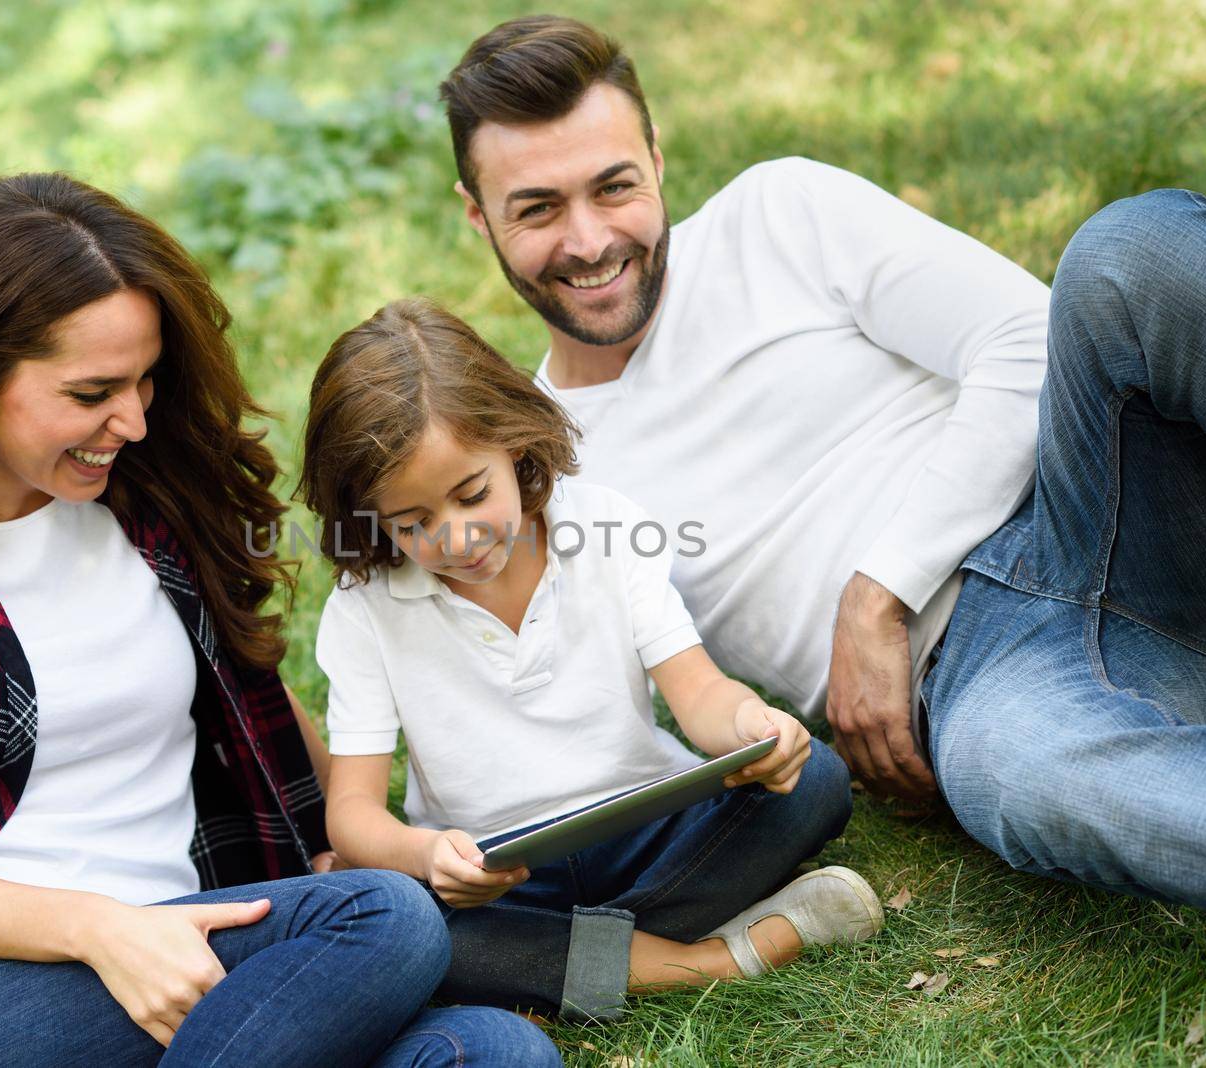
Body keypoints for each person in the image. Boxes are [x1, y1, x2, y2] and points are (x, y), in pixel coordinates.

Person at [434, 15, 1206, 924]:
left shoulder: (779, 214)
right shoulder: (533, 464)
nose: (591, 240)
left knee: (1131, 255)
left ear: (658, 159)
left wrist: (879, 593)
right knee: (1020, 775)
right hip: (987, 680)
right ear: (477, 215)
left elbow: (1023, 341)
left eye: (614, 186)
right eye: (538, 208)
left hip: (1117, 499)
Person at [0, 173, 559, 1067]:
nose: (132, 420)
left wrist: (359, 840)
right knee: (387, 924)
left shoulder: (149, 493)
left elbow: (249, 697)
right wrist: (105, 932)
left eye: (145, 381)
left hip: (204, 963)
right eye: (93, 391)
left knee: (492, 1052)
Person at [296, 297, 881, 1023]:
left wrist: (752, 726)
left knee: (815, 779)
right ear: (370, 519)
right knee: (406, 917)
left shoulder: (604, 527)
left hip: (651, 833)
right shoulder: (366, 610)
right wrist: (423, 856)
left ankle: (571, 958)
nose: (457, 536)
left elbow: (698, 693)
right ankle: (706, 960)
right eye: (414, 523)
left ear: (513, 443)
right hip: (499, 878)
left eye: (472, 492)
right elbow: (350, 813)